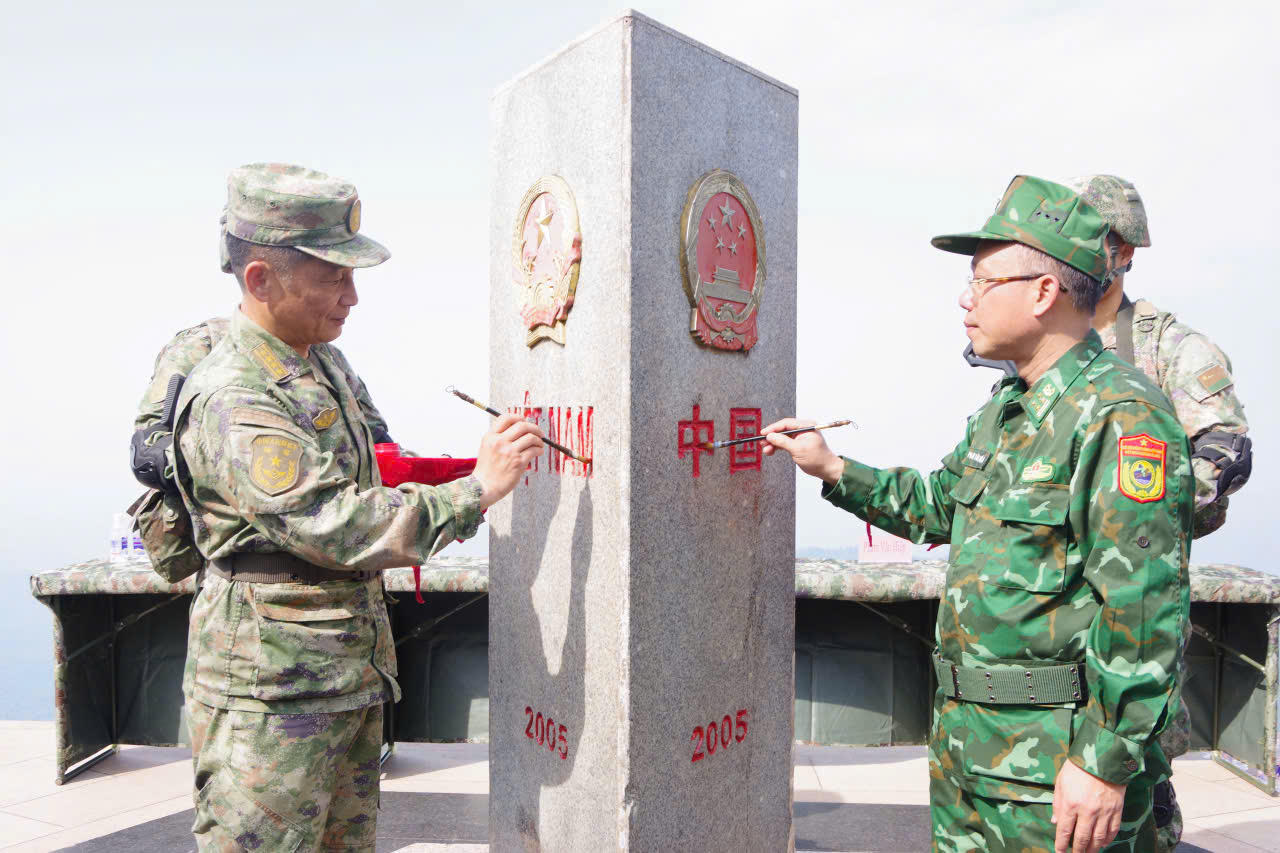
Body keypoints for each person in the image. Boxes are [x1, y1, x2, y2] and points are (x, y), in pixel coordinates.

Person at [764, 176, 1193, 853]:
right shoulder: (1005, 411)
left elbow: (1142, 609)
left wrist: (1104, 764)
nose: (966, 299)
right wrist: (834, 468)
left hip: (1057, 777)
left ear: (1043, 291)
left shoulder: (1123, 417)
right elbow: (938, 503)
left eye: (984, 281)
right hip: (971, 759)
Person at [169, 162, 545, 851]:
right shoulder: (235, 395)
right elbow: (335, 520)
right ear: (261, 279)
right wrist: (477, 489)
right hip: (270, 703)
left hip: (342, 682)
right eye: (333, 276)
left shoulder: (321, 363)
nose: (353, 297)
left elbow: (377, 467)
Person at [1067, 174, 1253, 852]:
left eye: (1099, 240)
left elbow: (1226, 450)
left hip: (1136, 598)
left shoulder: (1169, 345)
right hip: (1050, 600)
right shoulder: (1049, 337)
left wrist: (1148, 510)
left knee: (1135, 773)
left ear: (1125, 252)